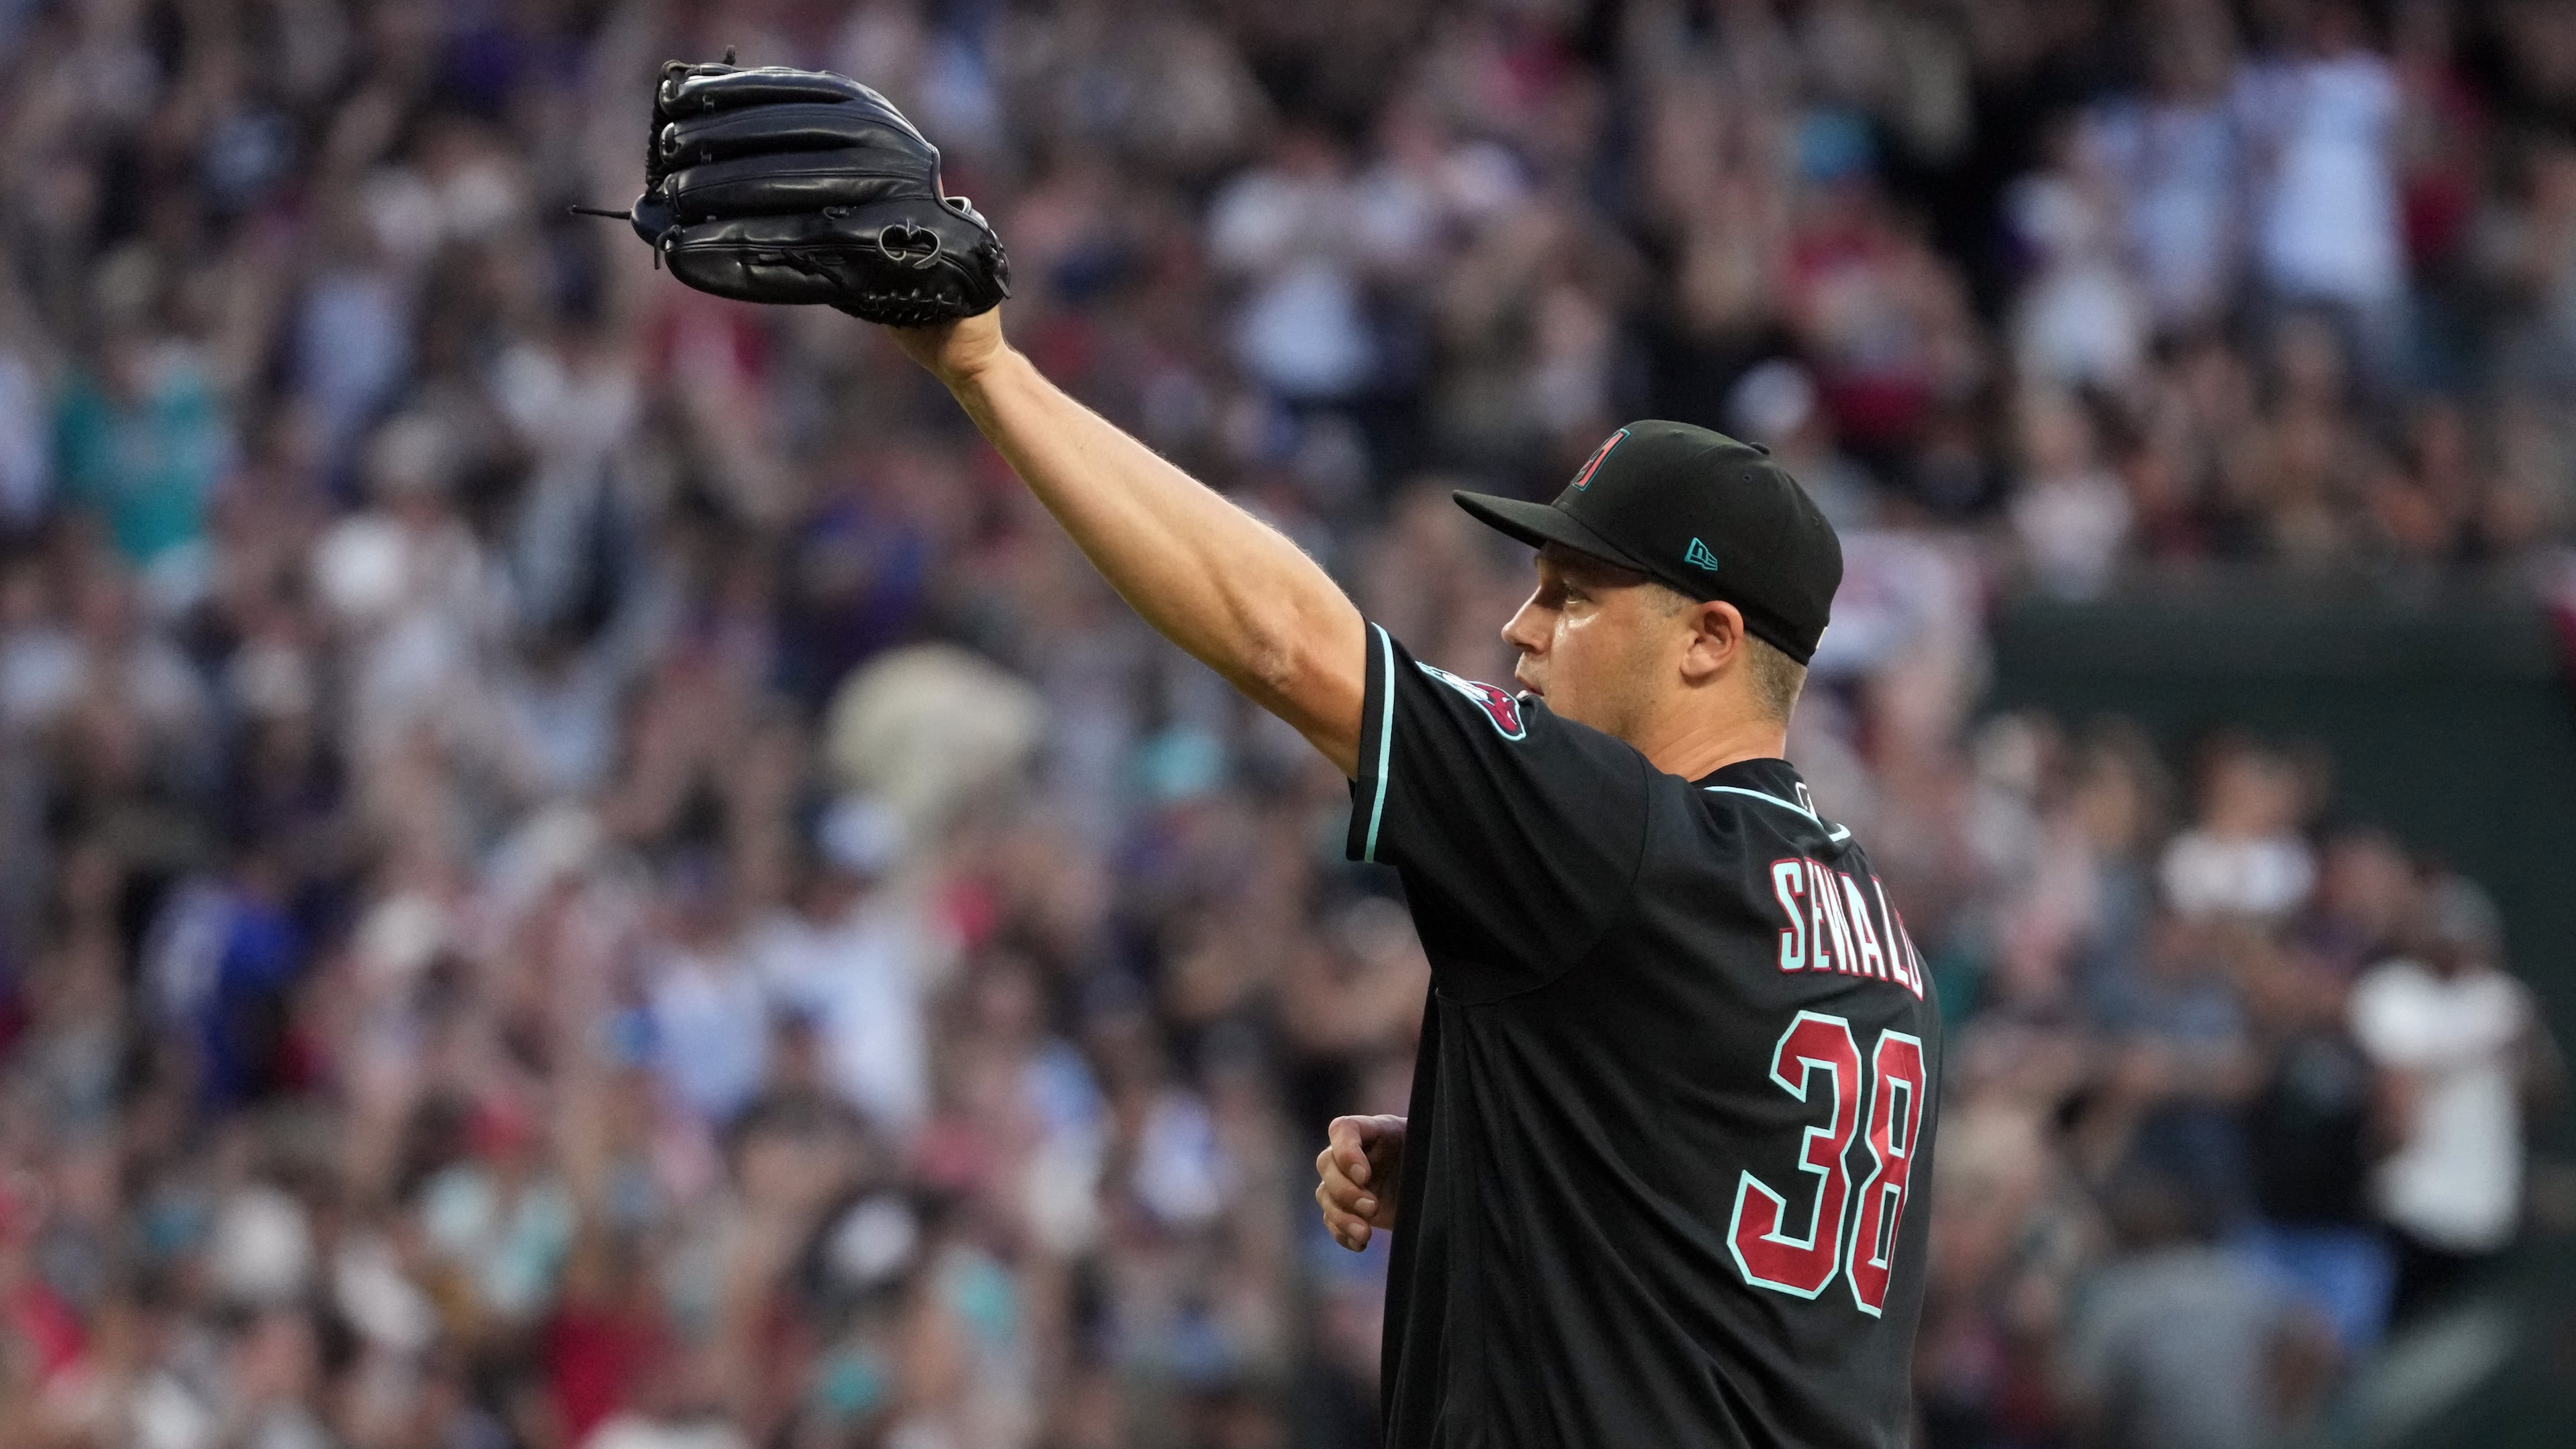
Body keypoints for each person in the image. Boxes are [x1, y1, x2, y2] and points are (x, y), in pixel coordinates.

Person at [863, 301, 1943, 1446]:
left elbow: (1285, 642)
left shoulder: (1624, 833)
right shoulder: (1877, 935)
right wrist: (1499, 1160)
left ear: (1711, 641)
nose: (1522, 627)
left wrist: (983, 365)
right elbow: (1741, 1249)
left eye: (1574, 594)